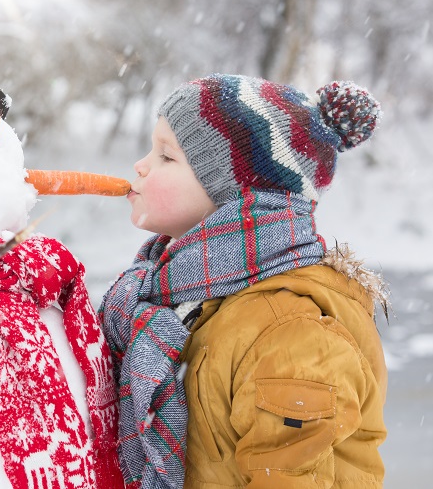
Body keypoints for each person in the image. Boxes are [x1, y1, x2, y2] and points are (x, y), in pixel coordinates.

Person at [99, 74, 388, 488]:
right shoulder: (174, 299)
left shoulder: (289, 334)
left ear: (234, 196)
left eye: (166, 156)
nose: (140, 166)